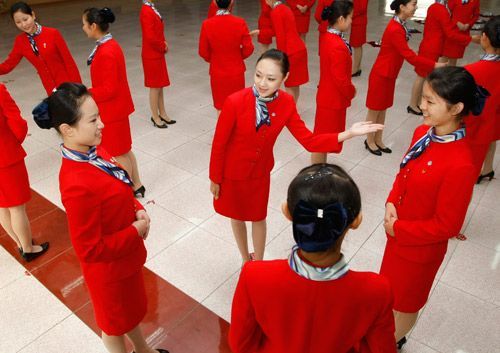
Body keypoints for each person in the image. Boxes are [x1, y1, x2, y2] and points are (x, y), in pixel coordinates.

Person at [209, 49, 383, 264]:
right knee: (237, 216)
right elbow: (219, 144)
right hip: (232, 172)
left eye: (271, 78)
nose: (262, 83)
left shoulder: (285, 103)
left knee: (258, 217)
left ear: (285, 78)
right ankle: (246, 259)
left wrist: (347, 133)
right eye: (258, 75)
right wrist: (215, 178)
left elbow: (309, 141)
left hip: (259, 173)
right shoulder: (235, 101)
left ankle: (259, 262)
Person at [33, 82, 168, 353]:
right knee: (114, 327)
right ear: (67, 130)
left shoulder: (95, 152)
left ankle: (143, 350)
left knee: (129, 315)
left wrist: (135, 206)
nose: (102, 124)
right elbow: (89, 248)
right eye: (93, 120)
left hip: (123, 260)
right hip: (108, 273)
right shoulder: (76, 183)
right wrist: (135, 229)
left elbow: (118, 184)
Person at [229, 163, 397, 353]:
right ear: (356, 220)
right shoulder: (376, 291)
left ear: (287, 211)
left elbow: (241, 345)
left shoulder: (254, 276)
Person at [380, 66, 486, 349]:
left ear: (456, 108)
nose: (421, 105)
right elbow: (403, 172)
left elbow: (447, 225)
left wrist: (399, 227)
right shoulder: (421, 133)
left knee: (406, 304)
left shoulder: (461, 164)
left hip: (419, 250)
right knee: (388, 297)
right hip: (397, 239)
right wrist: (392, 200)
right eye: (423, 98)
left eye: (430, 101)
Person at [363, 0, 441, 156]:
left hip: (389, 73)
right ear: (402, 7)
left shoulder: (399, 24)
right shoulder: (395, 29)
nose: (415, 7)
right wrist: (434, 65)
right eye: (413, 4)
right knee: (374, 109)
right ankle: (369, 140)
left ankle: (378, 138)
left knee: (383, 108)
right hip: (382, 74)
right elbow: (409, 56)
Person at [83, 7, 146, 198]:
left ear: (94, 26)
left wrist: (86, 91)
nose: (83, 28)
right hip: (118, 108)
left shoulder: (107, 51)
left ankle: (126, 190)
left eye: (84, 24)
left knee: (118, 153)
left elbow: (109, 89)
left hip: (113, 110)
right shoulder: (109, 45)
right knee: (124, 150)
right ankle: (137, 184)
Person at [0, 83, 49, 262]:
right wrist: (15, 142)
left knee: (3, 206)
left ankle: (20, 243)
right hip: (6, 156)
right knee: (16, 207)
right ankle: (28, 248)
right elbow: (17, 123)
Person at [0, 1, 81, 96]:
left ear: (33, 15)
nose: (24, 25)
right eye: (18, 22)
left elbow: (69, 62)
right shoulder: (20, 41)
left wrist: (78, 87)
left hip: (68, 85)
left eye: (25, 19)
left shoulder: (53, 34)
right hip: (51, 89)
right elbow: (8, 64)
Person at [407, 0, 472, 116]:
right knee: (421, 76)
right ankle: (412, 104)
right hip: (431, 47)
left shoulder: (435, 7)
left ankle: (416, 102)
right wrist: (470, 39)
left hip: (429, 44)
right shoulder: (440, 9)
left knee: (423, 76)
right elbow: (450, 33)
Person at [312, 1, 356, 164]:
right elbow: (340, 79)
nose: (352, 21)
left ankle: (320, 167)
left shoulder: (328, 36)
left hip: (327, 95)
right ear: (341, 19)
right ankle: (315, 172)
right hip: (331, 99)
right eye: (350, 17)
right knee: (321, 141)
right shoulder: (336, 44)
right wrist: (351, 91)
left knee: (324, 139)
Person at [199, 0, 254, 115]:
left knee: (221, 106)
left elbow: (203, 51)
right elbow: (248, 48)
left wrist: (215, 59)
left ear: (215, 4)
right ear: (231, 4)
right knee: (237, 105)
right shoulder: (240, 22)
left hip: (217, 71)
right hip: (236, 70)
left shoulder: (207, 24)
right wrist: (237, 56)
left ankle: (223, 132)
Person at [464, 16, 500, 182]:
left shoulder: (471, 71)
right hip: (494, 117)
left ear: (484, 37)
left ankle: (482, 170)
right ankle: (488, 168)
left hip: (475, 126)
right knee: (492, 136)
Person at [257, 0, 309, 103]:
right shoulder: (285, 8)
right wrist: (260, 32)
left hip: (290, 52)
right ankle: (293, 109)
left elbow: (281, 37)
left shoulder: (275, 12)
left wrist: (281, 58)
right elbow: (278, 31)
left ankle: (290, 113)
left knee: (289, 86)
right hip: (299, 49)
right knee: (295, 85)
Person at [140, 0, 175, 129]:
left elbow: (157, 30)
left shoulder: (151, 8)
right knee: (155, 86)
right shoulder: (146, 10)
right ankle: (155, 116)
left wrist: (163, 43)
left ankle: (163, 113)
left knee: (160, 85)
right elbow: (150, 36)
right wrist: (162, 46)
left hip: (156, 53)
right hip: (152, 54)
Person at [442, 0, 480, 67]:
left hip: (463, 32)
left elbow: (476, 15)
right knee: (444, 56)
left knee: (454, 57)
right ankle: (438, 75)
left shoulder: (475, 1)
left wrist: (468, 24)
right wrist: (456, 22)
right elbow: (446, 12)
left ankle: (450, 76)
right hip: (451, 29)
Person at [350, 0, 369, 77]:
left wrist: (351, 14)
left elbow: (362, 9)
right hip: (357, 21)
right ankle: (357, 67)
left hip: (359, 21)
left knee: (357, 45)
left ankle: (355, 69)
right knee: (357, 45)